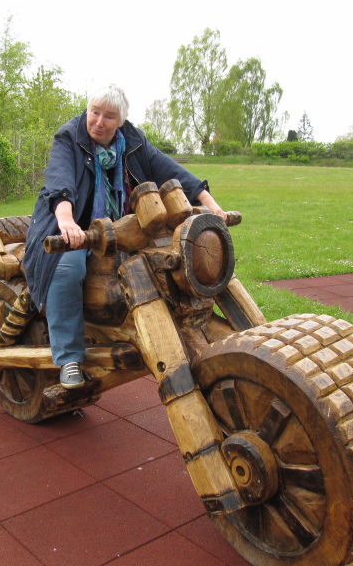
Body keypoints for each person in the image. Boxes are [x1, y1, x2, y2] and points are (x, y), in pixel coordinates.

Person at [23, 84, 226, 389]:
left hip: (122, 227)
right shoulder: (69, 137)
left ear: (120, 121)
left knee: (171, 258)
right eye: (94, 112)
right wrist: (66, 220)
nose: (99, 121)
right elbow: (59, 179)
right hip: (71, 224)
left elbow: (169, 170)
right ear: (87, 110)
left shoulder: (132, 141)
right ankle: (69, 358)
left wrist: (210, 205)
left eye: (109, 116)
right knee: (67, 269)